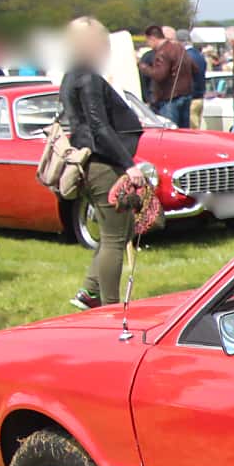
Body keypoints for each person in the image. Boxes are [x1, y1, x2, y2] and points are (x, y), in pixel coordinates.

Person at [62, 17, 149, 310]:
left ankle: (89, 291)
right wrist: (129, 165)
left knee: (115, 233)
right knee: (114, 238)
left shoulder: (72, 75)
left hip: (91, 163)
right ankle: (111, 307)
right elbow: (100, 127)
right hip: (103, 164)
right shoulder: (88, 79)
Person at [175, 29, 206, 128]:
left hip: (191, 98)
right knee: (197, 126)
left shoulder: (186, 56)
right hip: (200, 97)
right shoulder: (200, 56)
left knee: (191, 130)